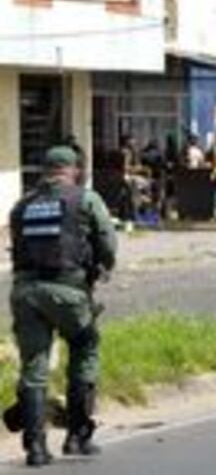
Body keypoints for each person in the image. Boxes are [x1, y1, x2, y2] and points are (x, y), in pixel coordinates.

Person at [6, 146, 117, 466]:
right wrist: (103, 267)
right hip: (68, 289)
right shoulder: (84, 198)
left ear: (45, 170)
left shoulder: (22, 205)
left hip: (25, 292)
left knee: (34, 367)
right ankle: (77, 436)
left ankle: (36, 449)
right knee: (85, 348)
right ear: (73, 170)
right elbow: (107, 241)